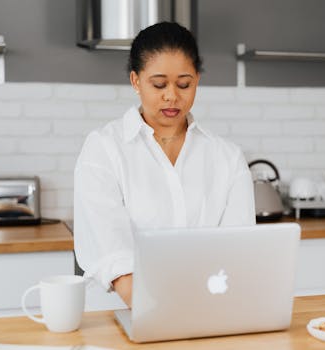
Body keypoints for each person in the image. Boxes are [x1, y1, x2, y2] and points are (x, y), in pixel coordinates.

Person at [73, 22, 256, 307]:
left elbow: (239, 254)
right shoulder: (103, 149)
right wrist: (162, 316)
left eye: (184, 84)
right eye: (159, 84)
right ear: (135, 81)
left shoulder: (227, 158)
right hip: (121, 315)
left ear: (197, 79)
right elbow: (114, 258)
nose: (172, 95)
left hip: (209, 312)